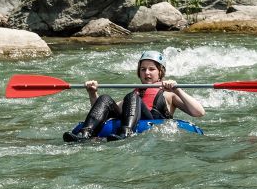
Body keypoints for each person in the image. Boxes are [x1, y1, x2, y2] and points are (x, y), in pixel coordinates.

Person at [64, 53, 207, 143]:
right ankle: (85, 133)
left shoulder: (169, 93)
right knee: (105, 98)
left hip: (150, 122)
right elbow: (102, 112)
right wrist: (92, 92)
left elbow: (199, 112)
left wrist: (178, 89)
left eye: (152, 69)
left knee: (132, 97)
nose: (147, 73)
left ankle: (125, 132)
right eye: (143, 69)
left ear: (160, 72)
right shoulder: (135, 93)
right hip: (132, 112)